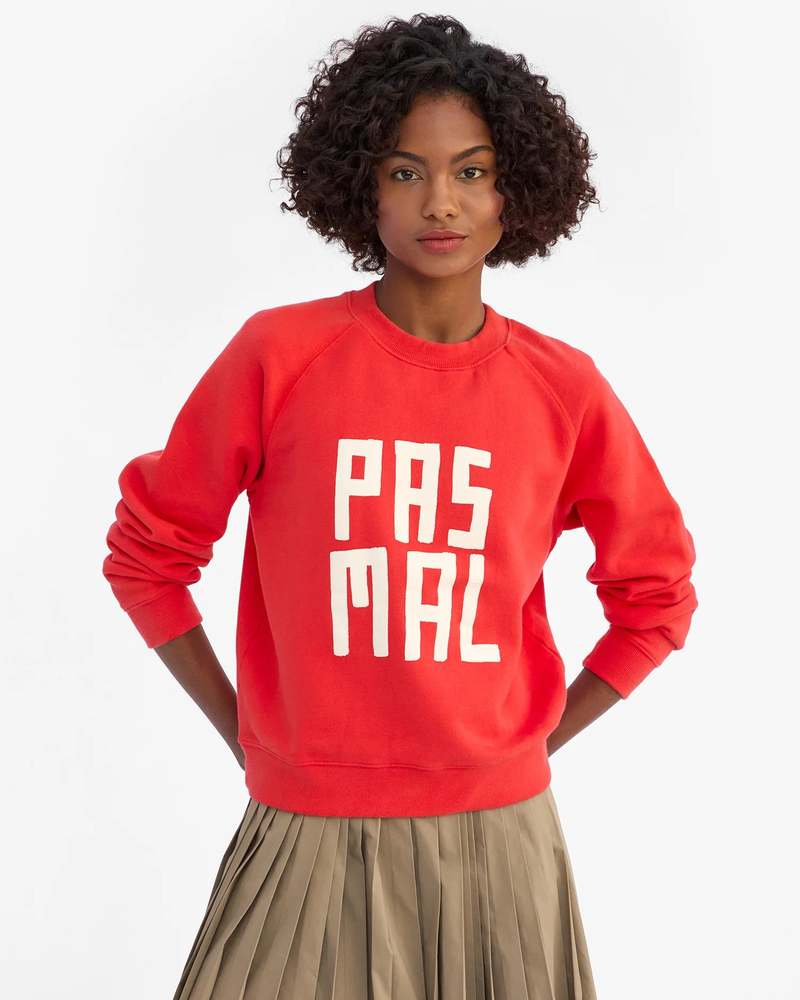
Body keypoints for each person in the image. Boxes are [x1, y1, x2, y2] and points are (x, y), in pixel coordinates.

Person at [102, 13, 698, 999]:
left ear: (515, 190)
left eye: (472, 171)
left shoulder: (564, 390)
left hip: (502, 845)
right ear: (360, 185)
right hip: (303, 831)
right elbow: (147, 558)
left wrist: (527, 745)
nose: (440, 202)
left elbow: (657, 597)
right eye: (404, 170)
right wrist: (247, 733)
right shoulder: (279, 357)